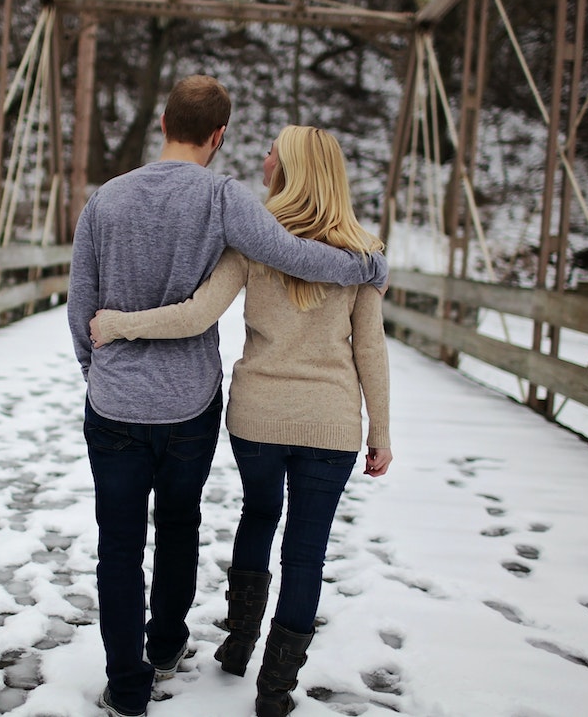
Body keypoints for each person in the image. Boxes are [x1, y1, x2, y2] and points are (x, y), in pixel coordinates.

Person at [68, 78, 388, 717]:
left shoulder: (105, 200)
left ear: (162, 121)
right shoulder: (225, 199)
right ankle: (176, 650)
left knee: (121, 541)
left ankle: (131, 687)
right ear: (220, 136)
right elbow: (298, 259)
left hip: (124, 403)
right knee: (186, 525)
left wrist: (96, 363)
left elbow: (83, 301)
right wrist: (366, 266)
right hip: (195, 403)